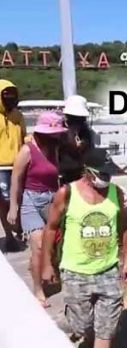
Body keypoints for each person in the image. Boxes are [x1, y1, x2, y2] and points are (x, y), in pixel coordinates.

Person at [41, 148, 127, 348]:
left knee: (106, 327)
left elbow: (123, 226)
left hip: (108, 269)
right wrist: (47, 264)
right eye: (103, 174)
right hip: (75, 271)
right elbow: (51, 228)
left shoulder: (115, 193)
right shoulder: (67, 193)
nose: (107, 179)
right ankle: (77, 324)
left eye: (110, 175)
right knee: (82, 326)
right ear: (88, 172)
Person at [7, 112, 66, 307]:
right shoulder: (27, 150)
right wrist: (13, 207)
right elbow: (16, 179)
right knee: (39, 244)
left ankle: (45, 270)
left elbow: (55, 177)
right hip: (31, 200)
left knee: (54, 243)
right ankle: (38, 289)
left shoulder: (54, 148)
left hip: (52, 199)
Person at [0, 79, 26, 251]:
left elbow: (24, 136)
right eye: (6, 94)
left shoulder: (18, 116)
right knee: (4, 202)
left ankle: (20, 231)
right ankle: (9, 235)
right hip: (1, 167)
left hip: (19, 163)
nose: (10, 97)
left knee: (21, 200)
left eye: (12, 94)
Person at [59, 95, 101, 184]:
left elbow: (88, 153)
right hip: (62, 173)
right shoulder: (59, 131)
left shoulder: (88, 133)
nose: (77, 121)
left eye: (80, 118)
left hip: (80, 172)